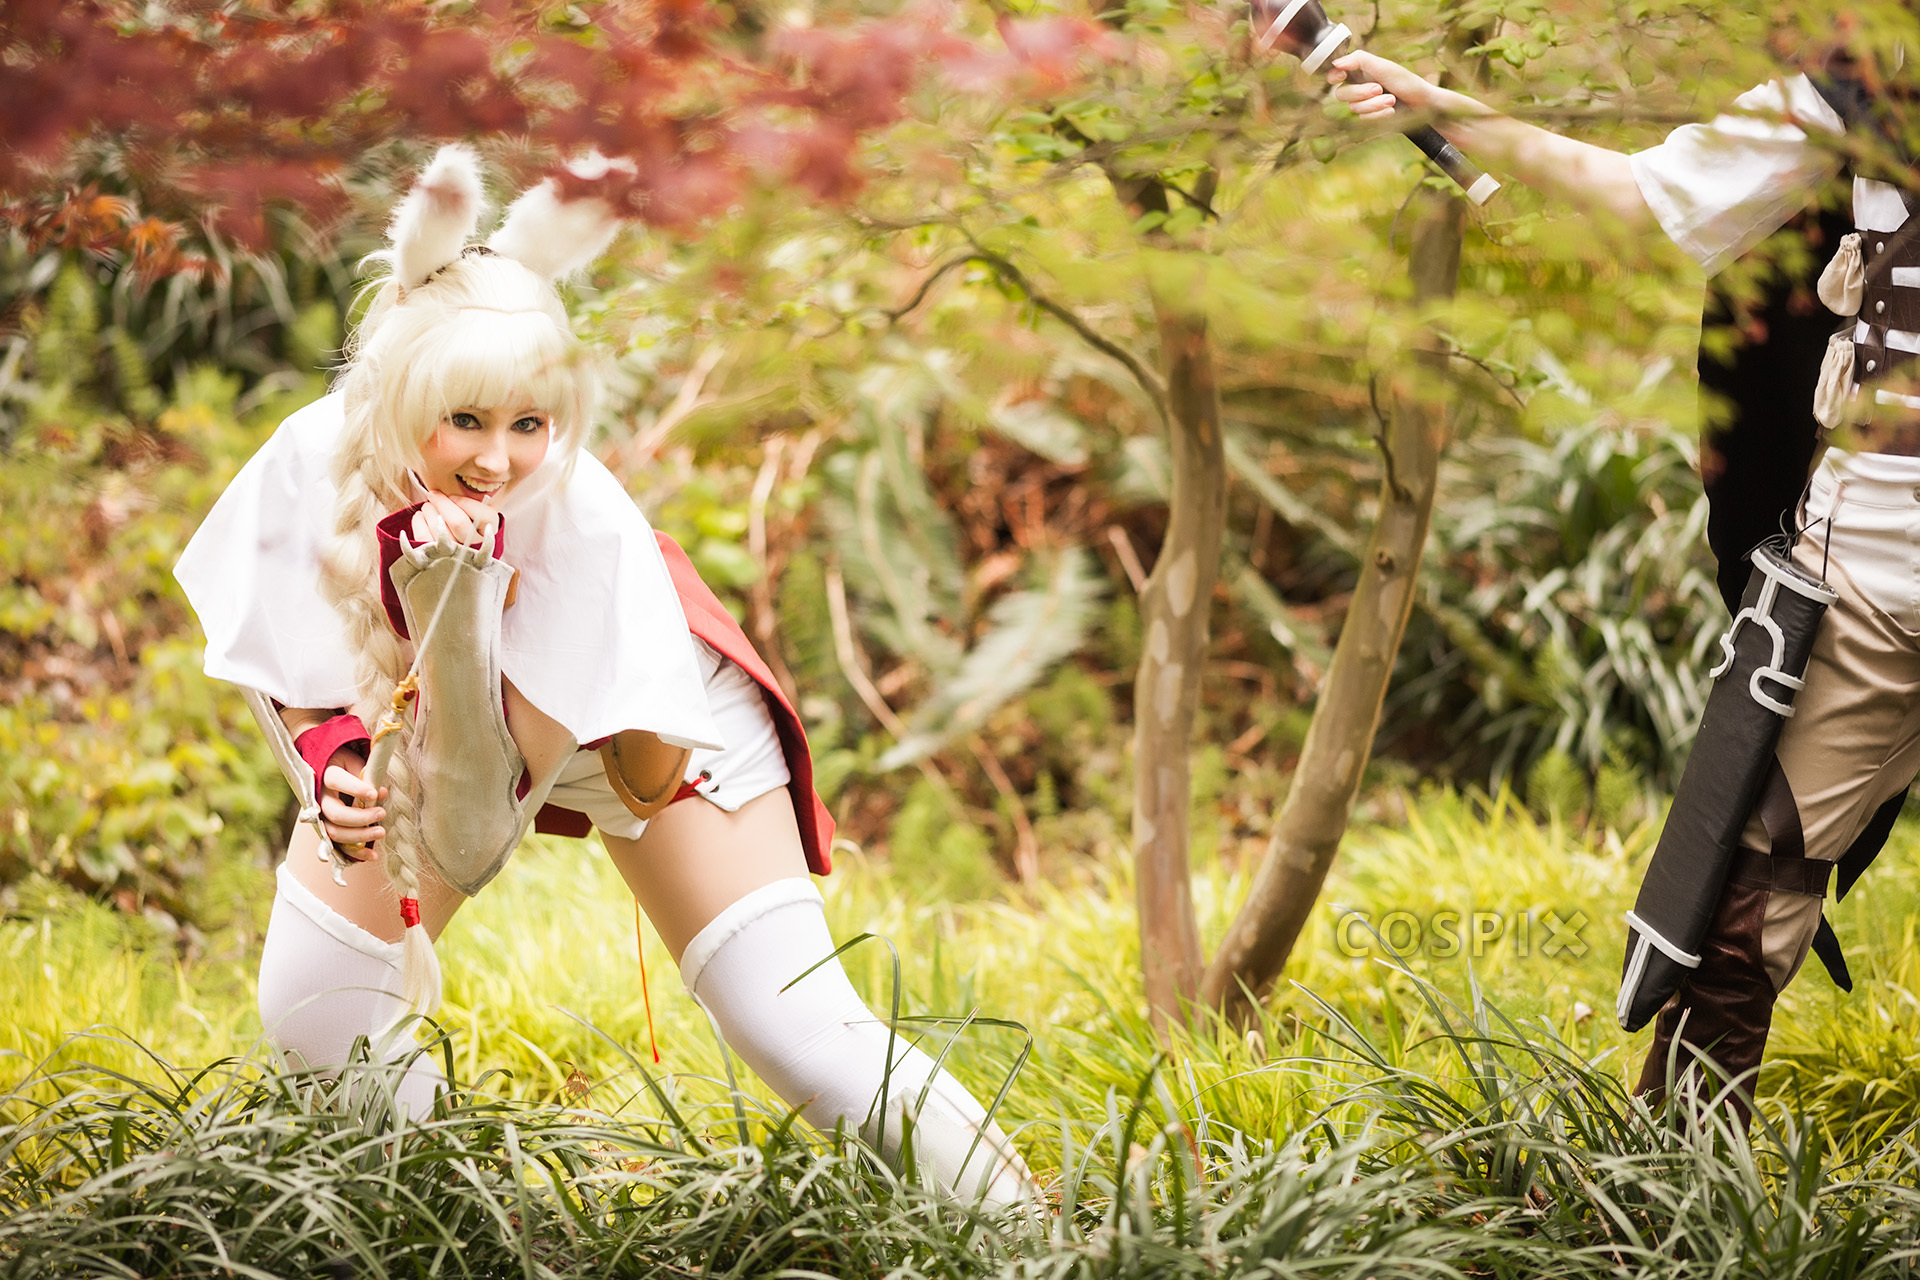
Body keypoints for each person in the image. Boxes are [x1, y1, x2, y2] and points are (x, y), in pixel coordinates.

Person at [174, 145, 1032, 1206]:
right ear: (400, 398)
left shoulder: (582, 531)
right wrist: (333, 759)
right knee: (319, 1007)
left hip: (654, 740)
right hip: (456, 730)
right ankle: (456, 1238)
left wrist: (458, 598)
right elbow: (291, 655)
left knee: (794, 1023)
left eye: (528, 424)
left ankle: (1030, 1241)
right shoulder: (312, 459)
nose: (495, 462)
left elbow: (473, 828)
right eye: (464, 420)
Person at [1322, 33, 1915, 1104]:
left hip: (1875, 550)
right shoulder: (1872, 72)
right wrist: (1435, 100)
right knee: (1748, 889)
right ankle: (1679, 1177)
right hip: (1876, 559)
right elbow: (1647, 198)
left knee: (1754, 883)